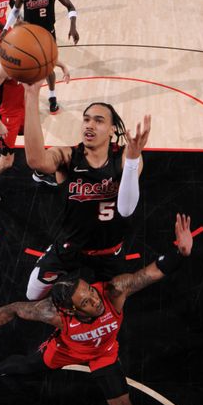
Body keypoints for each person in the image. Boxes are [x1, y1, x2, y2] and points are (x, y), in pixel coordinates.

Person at [0, 213, 194, 405]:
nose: (95, 300)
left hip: (104, 352)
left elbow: (149, 274)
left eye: (90, 291)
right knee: (26, 367)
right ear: (70, 311)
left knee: (122, 402)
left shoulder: (113, 292)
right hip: (66, 350)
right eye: (86, 302)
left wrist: (179, 253)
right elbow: (13, 309)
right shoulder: (54, 314)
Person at [22, 80, 150, 300]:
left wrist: (131, 160)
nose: (89, 125)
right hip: (70, 248)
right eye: (86, 119)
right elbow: (35, 160)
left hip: (108, 252)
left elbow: (127, 209)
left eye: (98, 121)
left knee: (112, 300)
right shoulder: (68, 156)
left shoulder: (124, 158)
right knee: (32, 294)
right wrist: (32, 96)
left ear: (111, 130)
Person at [0, 58, 71, 204]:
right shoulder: (3, 66)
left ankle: (40, 172)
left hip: (25, 108)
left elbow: (46, 59)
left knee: (36, 144)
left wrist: (63, 66)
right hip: (6, 117)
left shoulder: (28, 54)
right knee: (7, 161)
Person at [0, 0, 79, 114]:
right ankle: (26, 97)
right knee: (25, 66)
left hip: (48, 34)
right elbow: (15, 11)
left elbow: (71, 7)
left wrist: (73, 26)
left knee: (48, 67)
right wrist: (5, 28)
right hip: (29, 35)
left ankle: (52, 97)